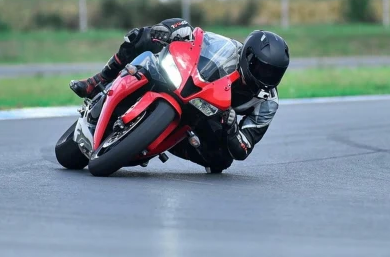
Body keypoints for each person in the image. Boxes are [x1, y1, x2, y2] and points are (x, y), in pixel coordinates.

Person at [70, 18, 290, 173]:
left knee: (221, 161)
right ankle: (98, 80)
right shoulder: (228, 49)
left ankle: (165, 142)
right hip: (184, 82)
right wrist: (171, 28)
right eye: (262, 69)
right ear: (248, 56)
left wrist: (232, 128)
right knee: (142, 37)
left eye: (274, 73)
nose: (266, 77)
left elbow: (244, 148)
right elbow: (194, 35)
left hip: (209, 114)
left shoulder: (268, 101)